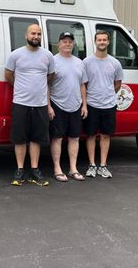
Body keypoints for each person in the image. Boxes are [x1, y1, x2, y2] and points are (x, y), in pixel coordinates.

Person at [5, 23, 55, 186]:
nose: (36, 37)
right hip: (20, 103)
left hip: (40, 104)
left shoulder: (47, 55)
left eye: (39, 34)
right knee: (20, 139)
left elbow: (50, 76)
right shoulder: (16, 55)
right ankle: (20, 170)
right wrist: (22, 88)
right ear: (26, 35)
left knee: (36, 139)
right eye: (33, 33)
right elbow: (8, 75)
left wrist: (37, 88)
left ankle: (34, 170)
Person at [48, 32, 88, 182]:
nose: (67, 44)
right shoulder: (52, 61)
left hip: (76, 106)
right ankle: (57, 169)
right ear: (59, 44)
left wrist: (84, 105)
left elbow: (82, 84)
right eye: (64, 41)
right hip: (58, 104)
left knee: (74, 138)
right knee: (57, 138)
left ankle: (73, 169)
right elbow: (46, 85)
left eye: (70, 42)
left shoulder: (79, 62)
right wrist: (49, 106)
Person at [84, 30, 123, 179]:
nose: (101, 42)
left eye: (104, 40)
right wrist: (93, 96)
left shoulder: (115, 63)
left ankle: (103, 166)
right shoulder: (87, 62)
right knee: (91, 135)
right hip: (92, 104)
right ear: (95, 42)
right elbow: (84, 83)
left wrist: (107, 94)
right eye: (99, 40)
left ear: (108, 42)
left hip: (109, 105)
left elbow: (118, 84)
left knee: (106, 136)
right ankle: (92, 165)